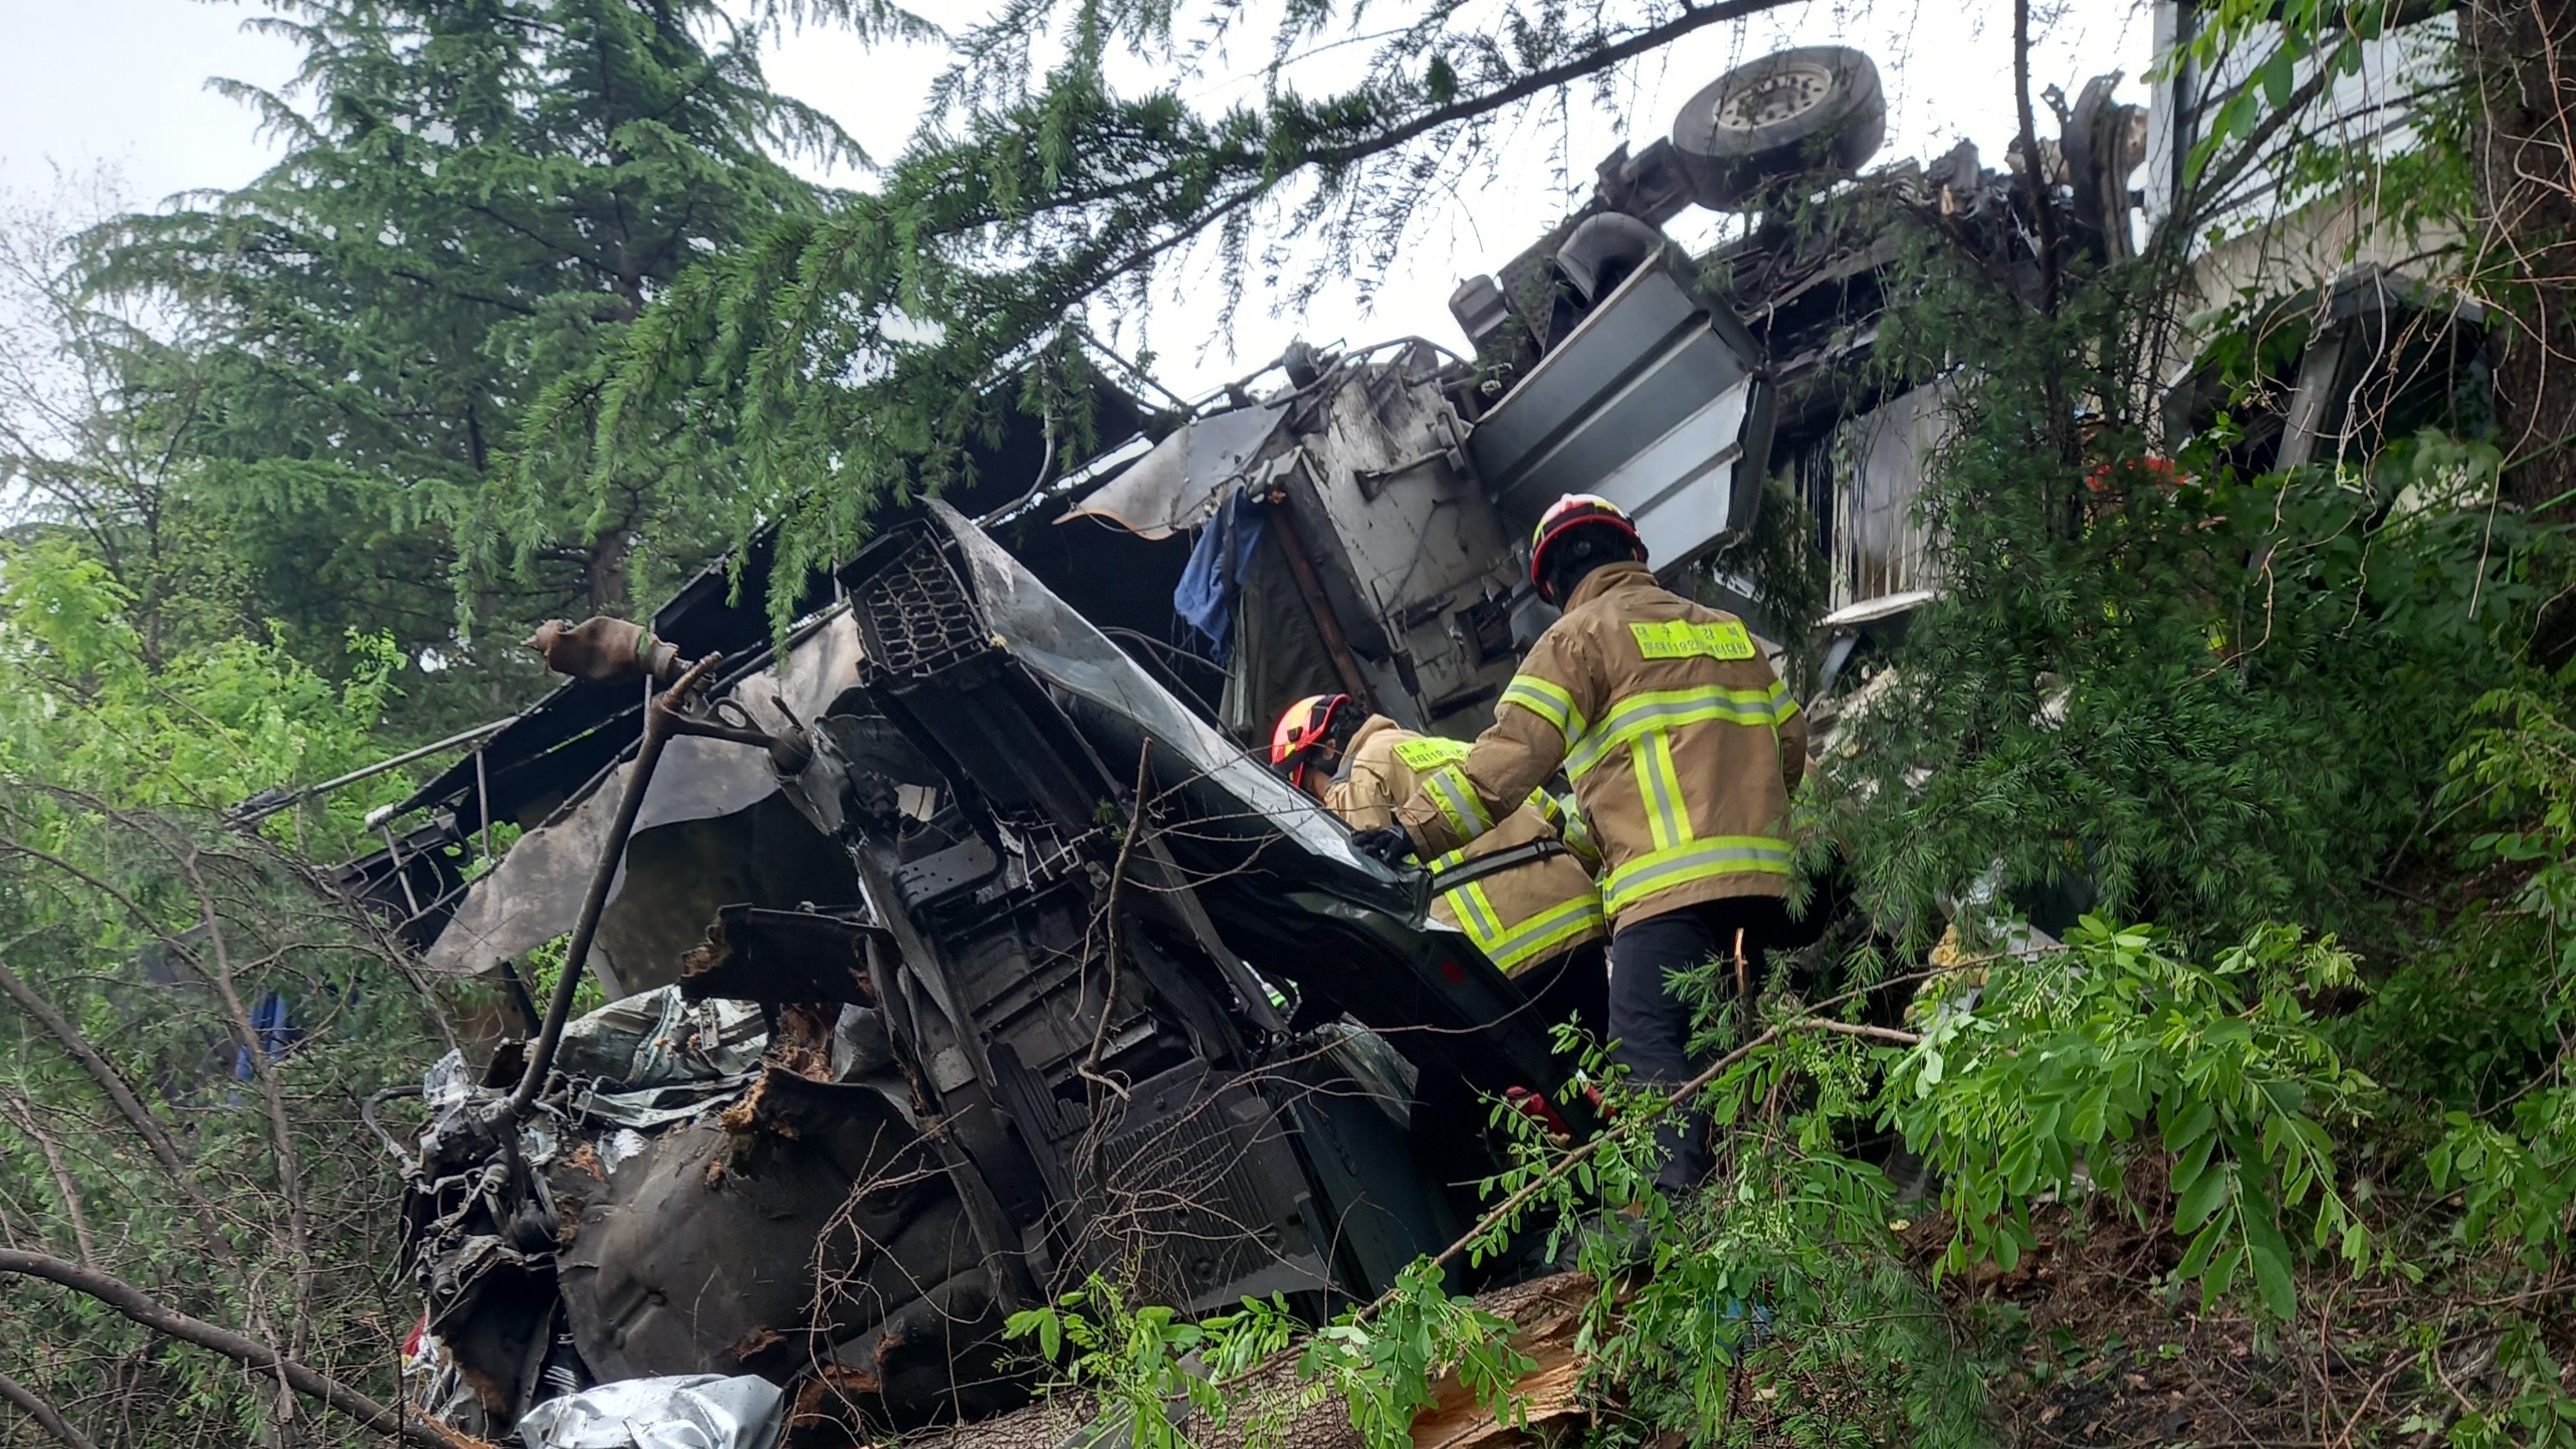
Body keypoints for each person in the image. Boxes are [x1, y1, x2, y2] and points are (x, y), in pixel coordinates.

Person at [1350, 494, 1806, 1189]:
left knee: (1650, 1053)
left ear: (1554, 583)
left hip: (1667, 898)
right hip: (1774, 887)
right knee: (1751, 1045)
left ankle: (1690, 1223)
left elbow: (1503, 769)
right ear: (1637, 555)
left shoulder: (1577, 640)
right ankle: (1803, 1176)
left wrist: (1411, 836)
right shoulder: (1729, 632)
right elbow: (1792, 747)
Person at [1271, 693, 1607, 1038]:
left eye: (1308, 785)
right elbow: (1553, 816)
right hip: (1579, 928)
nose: (1318, 800)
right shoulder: (1453, 748)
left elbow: (1356, 891)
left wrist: (1320, 990)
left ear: (1328, 750)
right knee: (1604, 1071)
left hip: (1502, 960)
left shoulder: (1356, 776)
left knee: (1454, 1090)